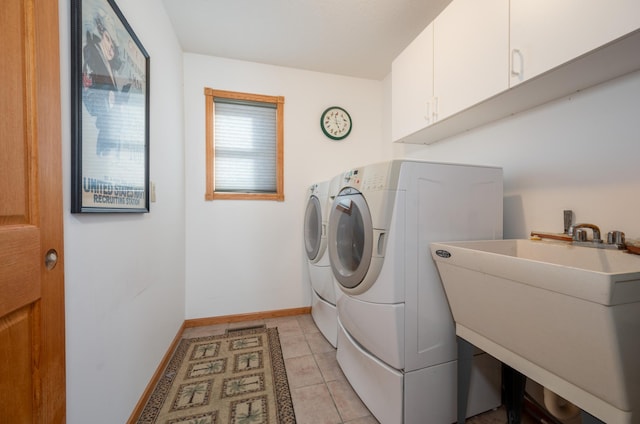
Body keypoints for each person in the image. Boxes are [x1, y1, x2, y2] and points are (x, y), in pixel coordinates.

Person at [82, 12, 129, 156]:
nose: (111, 49)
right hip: (105, 122)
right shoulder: (92, 55)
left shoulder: (109, 67)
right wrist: (108, 101)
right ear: (101, 35)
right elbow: (88, 96)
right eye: (108, 40)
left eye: (114, 47)